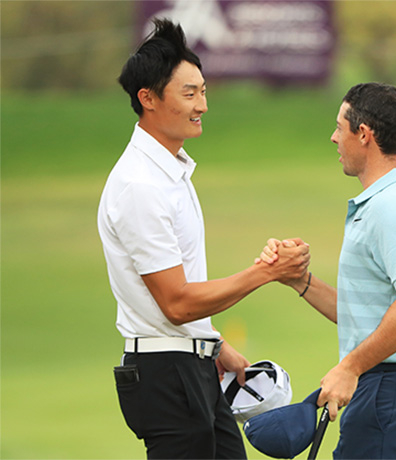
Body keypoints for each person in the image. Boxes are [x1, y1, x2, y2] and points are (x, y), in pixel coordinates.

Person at [97, 19, 309, 459]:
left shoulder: (170, 172)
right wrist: (266, 273)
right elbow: (177, 303)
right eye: (189, 93)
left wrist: (215, 344)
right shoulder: (140, 185)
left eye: (203, 91)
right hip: (164, 374)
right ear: (148, 99)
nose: (203, 105)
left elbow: (182, 298)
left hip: (192, 364)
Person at [260, 82, 396, 459]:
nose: (334, 137)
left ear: (363, 134)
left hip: (390, 393)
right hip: (389, 392)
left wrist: (350, 366)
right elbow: (367, 318)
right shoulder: (385, 203)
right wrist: (300, 280)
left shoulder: (392, 207)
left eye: (339, 127)